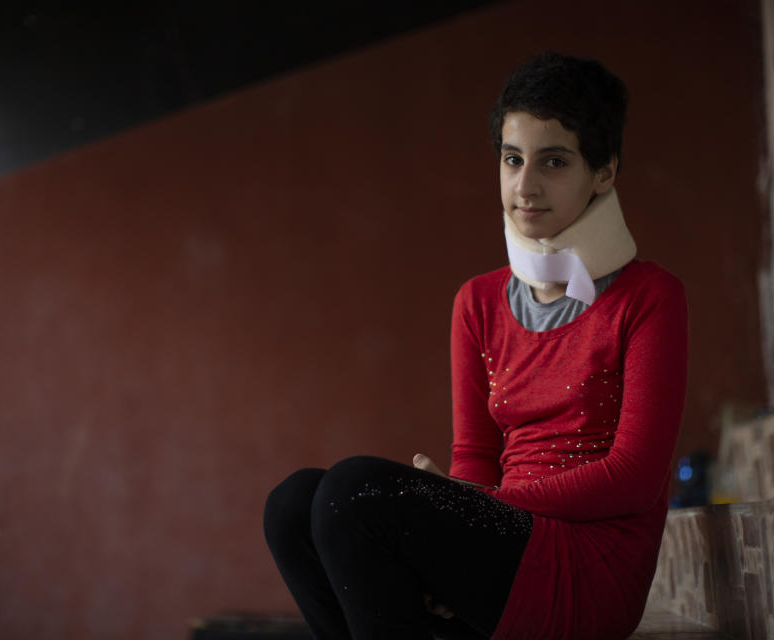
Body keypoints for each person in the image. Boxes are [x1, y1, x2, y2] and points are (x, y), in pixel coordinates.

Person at [263, 51, 688, 640]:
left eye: (554, 162)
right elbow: (474, 457)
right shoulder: (477, 301)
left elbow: (632, 477)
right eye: (512, 160)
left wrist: (484, 504)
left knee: (351, 488)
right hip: (500, 533)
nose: (525, 185)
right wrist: (464, 511)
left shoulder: (651, 296)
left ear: (604, 173)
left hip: (590, 567)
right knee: (292, 504)